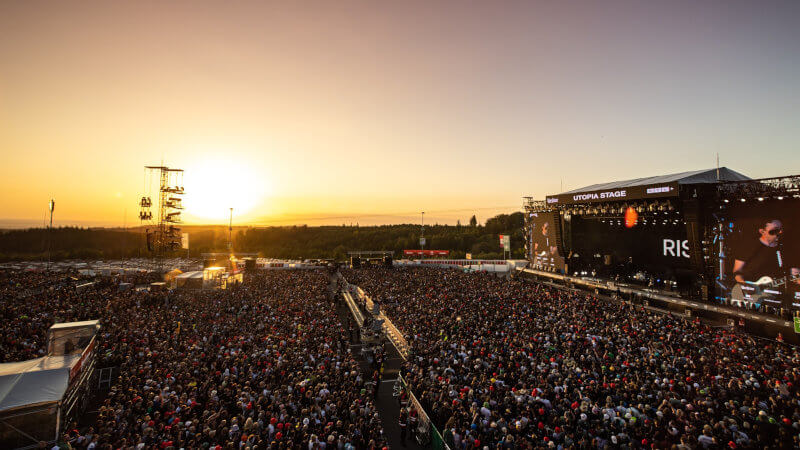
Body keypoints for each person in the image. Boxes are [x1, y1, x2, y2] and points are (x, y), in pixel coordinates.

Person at [731, 219, 800, 306]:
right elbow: (736, 272)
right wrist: (745, 286)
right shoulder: (749, 246)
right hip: (751, 295)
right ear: (762, 231)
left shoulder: (784, 249)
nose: (780, 232)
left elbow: (792, 273)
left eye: (781, 229)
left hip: (777, 296)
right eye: (775, 230)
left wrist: (796, 277)